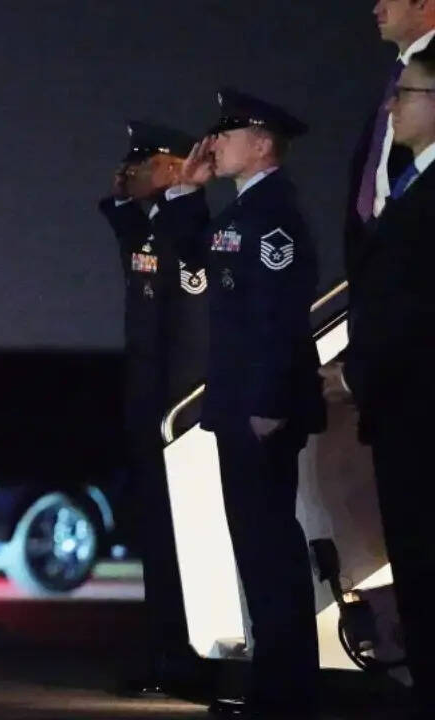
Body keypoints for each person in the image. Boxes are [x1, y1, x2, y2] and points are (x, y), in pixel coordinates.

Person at [176, 89, 327, 718]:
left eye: (228, 133)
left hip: (259, 407)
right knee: (256, 548)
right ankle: (274, 686)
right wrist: (188, 192)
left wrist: (267, 402)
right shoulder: (244, 210)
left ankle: (287, 692)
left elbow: (278, 317)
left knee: (270, 549)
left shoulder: (273, 214)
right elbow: (196, 261)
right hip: (238, 403)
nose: (215, 143)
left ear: (262, 143)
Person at [97, 121, 210, 698]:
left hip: (177, 412)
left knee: (182, 543)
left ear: (170, 168)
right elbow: (131, 244)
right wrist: (121, 199)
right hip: (150, 409)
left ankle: (187, 659)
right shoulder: (154, 228)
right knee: (158, 541)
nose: (130, 172)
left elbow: (192, 333)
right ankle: (166, 652)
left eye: (142, 164)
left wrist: (180, 413)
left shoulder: (190, 231)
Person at [339, 46, 435, 717]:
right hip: (400, 405)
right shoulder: (410, 187)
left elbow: (412, 308)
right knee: (413, 562)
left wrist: (365, 370)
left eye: (406, 94)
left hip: (420, 406)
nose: (392, 107)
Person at [344, 0, 435, 283]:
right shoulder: (394, 74)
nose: (377, 9)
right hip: (378, 254)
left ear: (423, 4)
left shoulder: (428, 69)